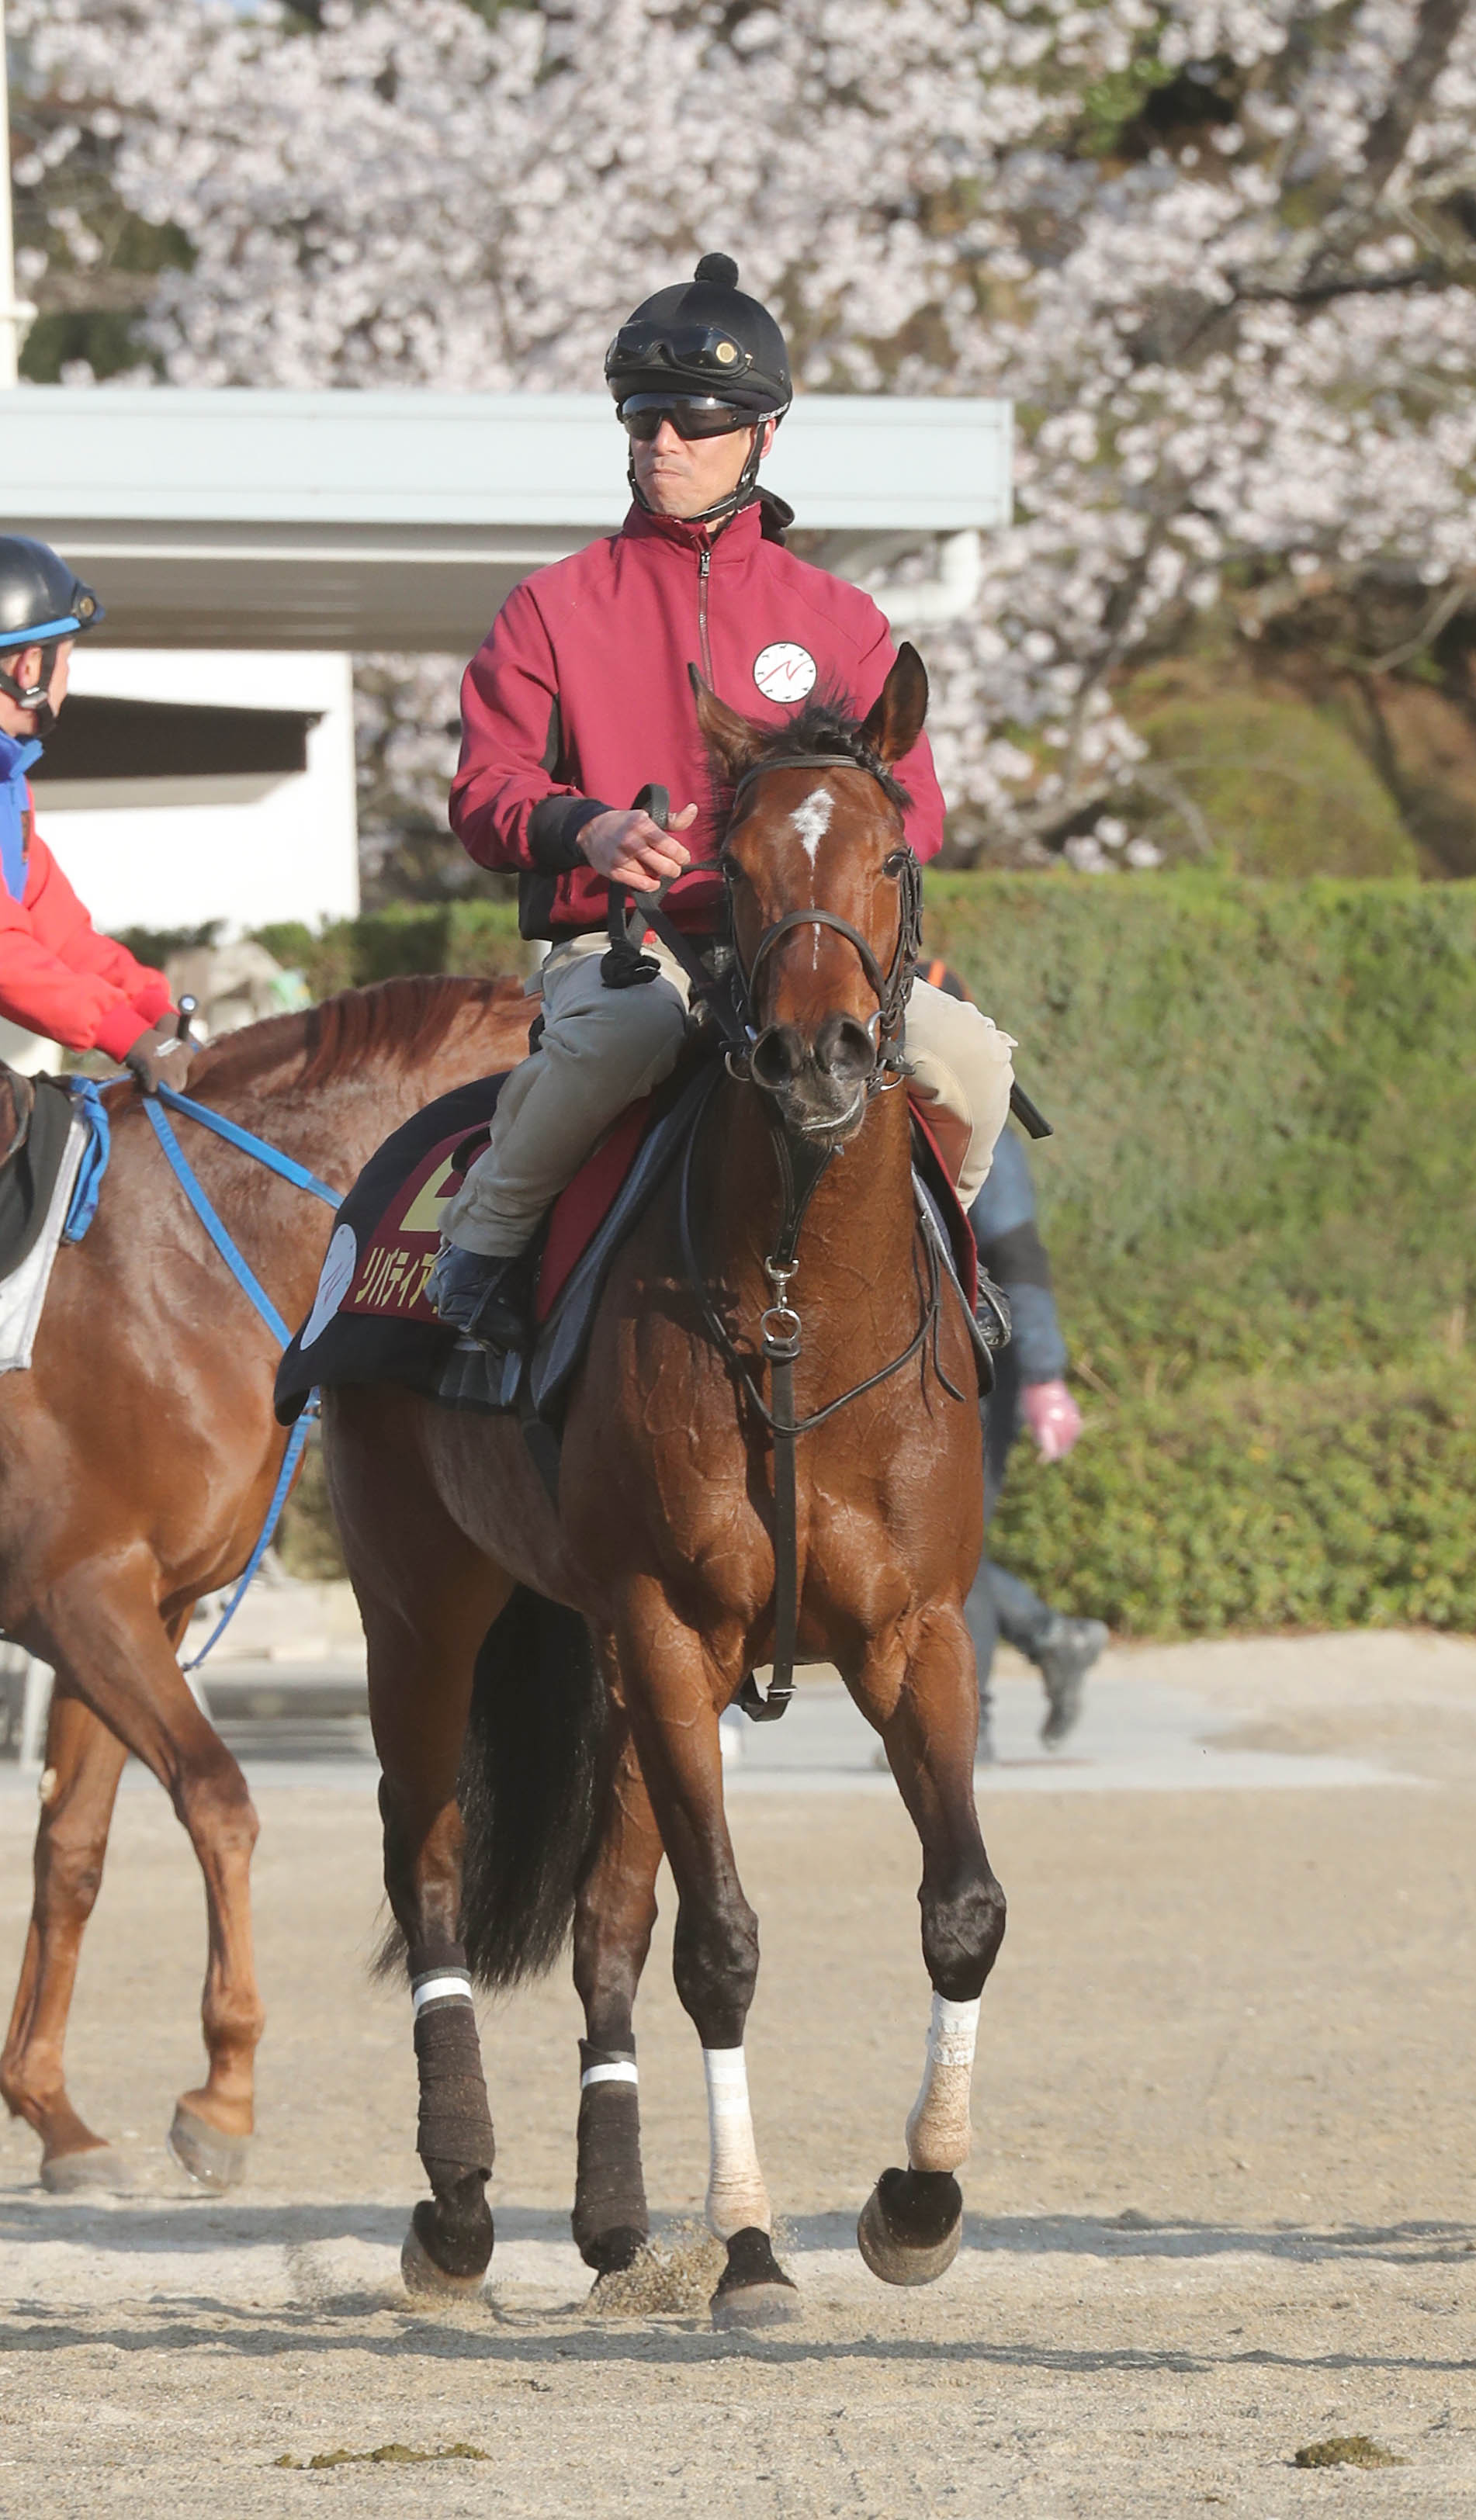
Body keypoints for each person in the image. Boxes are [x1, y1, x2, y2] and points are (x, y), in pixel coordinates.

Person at [429, 253, 1015, 1351]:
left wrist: (811, 866)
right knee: (621, 1040)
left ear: (763, 435)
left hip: (804, 943)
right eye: (641, 417)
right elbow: (485, 791)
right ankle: (481, 1244)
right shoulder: (550, 606)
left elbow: (917, 812)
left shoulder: (841, 618)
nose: (663, 443)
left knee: (975, 1063)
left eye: (695, 421)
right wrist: (586, 828)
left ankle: (943, 1261)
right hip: (631, 946)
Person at [0, 537, 193, 1093]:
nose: (67, 677)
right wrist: (124, 1033)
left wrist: (151, 1007)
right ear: (29, 666)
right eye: (67, 658)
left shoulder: (9, 785)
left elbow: (58, 932)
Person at [959, 1059, 1109, 1755]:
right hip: (888, 1358)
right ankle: (1050, 1637)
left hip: (975, 1357)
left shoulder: (973, 1117)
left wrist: (1044, 1376)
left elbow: (1017, 1254)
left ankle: (970, 1726)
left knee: (954, 1543)